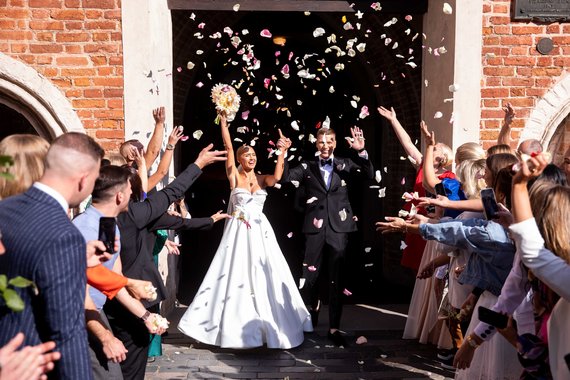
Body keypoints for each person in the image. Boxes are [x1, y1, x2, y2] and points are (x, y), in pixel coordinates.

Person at [178, 113, 312, 349]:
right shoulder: (234, 177)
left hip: (261, 232)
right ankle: (226, 323)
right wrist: (224, 124)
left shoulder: (261, 179)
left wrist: (283, 151)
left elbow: (278, 177)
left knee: (266, 273)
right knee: (235, 272)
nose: (251, 157)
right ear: (240, 159)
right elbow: (228, 147)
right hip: (239, 231)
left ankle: (268, 325)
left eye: (253, 155)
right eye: (246, 155)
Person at [104, 144, 227, 379]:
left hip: (108, 302)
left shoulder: (95, 218)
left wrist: (209, 220)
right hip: (136, 296)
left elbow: (173, 214)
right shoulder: (137, 214)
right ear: (123, 193)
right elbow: (170, 192)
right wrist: (198, 164)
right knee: (131, 365)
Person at [0, 132, 106, 379]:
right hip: (28, 367)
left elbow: (25, 265)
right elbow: (67, 334)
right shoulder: (63, 235)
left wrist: (75, 261)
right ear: (83, 180)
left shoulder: (4, 210)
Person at [280, 124, 374, 347]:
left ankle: (334, 327)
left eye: (329, 141)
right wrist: (282, 153)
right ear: (316, 143)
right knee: (309, 277)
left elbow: (369, 174)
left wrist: (361, 152)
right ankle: (310, 318)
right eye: (321, 142)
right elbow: (284, 179)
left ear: (334, 143)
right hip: (314, 230)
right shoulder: (307, 166)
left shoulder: (345, 164)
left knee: (337, 279)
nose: (325, 146)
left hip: (339, 229)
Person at [377, 106, 453, 272]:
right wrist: (393, 120)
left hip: (433, 221)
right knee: (417, 264)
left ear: (441, 159)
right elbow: (408, 144)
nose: (429, 149)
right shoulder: (421, 166)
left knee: (433, 264)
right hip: (417, 219)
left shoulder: (449, 178)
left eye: (434, 149)